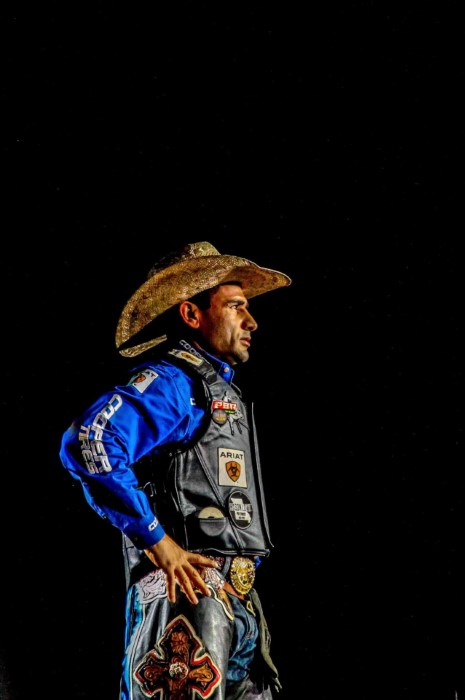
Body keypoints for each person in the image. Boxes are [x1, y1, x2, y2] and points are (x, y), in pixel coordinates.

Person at [59, 240, 292, 700]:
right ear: (192, 314)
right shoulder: (173, 382)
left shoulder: (217, 389)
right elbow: (91, 439)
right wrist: (158, 541)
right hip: (185, 597)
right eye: (236, 306)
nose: (251, 321)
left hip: (236, 603)